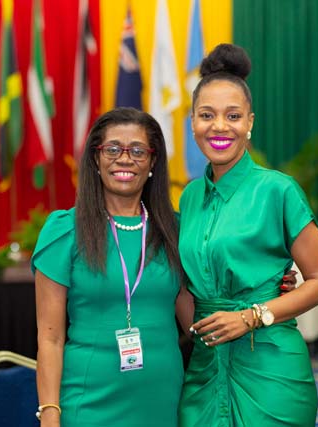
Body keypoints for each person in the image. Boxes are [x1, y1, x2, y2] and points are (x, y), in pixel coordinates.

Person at [32, 107, 298, 427]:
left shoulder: (176, 231)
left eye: (138, 151)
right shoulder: (64, 231)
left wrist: (264, 288)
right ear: (95, 159)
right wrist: (50, 413)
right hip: (88, 402)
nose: (124, 159)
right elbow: (50, 340)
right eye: (113, 149)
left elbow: (199, 324)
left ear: (153, 162)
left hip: (163, 402)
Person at [177, 43, 318, 427]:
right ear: (192, 123)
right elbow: (187, 283)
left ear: (250, 122)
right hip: (205, 365)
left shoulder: (278, 190)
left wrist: (252, 316)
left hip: (270, 364)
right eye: (206, 115)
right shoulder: (190, 196)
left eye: (233, 115)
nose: (219, 126)